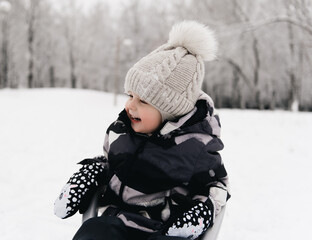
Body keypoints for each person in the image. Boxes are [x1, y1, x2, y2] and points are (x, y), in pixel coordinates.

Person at [54, 21, 230, 240]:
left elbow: (216, 185)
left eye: (143, 101)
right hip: (118, 223)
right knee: (94, 231)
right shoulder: (121, 133)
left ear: (170, 110)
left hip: (163, 230)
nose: (130, 105)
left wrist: (202, 210)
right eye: (130, 96)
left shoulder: (196, 147)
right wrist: (94, 171)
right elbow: (112, 166)